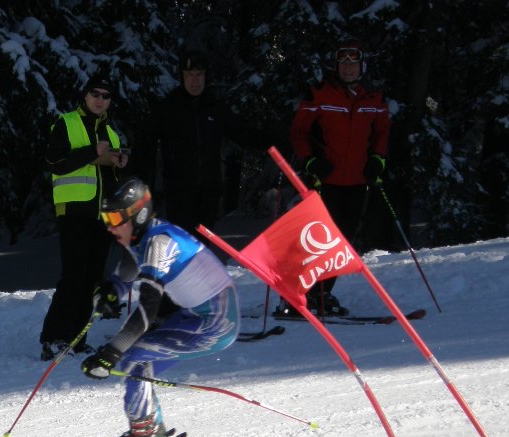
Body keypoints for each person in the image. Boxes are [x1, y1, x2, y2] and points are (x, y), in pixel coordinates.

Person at [77, 177, 239, 437]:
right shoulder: (142, 237)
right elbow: (128, 269)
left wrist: (112, 351)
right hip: (195, 314)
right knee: (137, 358)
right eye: (105, 218)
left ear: (138, 216)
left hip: (216, 323)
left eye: (114, 219)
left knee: (134, 357)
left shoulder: (159, 243)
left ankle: (145, 436)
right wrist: (113, 290)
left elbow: (148, 308)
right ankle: (153, 433)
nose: (109, 226)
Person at [280, 38, 391, 317]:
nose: (348, 69)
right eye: (343, 64)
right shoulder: (320, 94)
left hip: (357, 181)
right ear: (336, 66)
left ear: (362, 66)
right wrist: (311, 161)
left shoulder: (373, 97)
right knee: (317, 239)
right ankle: (296, 294)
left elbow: (382, 131)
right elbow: (299, 132)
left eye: (353, 64)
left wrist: (377, 159)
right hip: (325, 180)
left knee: (342, 241)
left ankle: (322, 294)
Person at [38, 73, 129, 361]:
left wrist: (118, 163)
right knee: (73, 276)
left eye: (106, 96)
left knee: (91, 279)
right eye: (95, 94)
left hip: (102, 214)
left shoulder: (110, 130)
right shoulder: (66, 122)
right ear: (85, 96)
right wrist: (92, 152)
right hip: (75, 211)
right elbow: (54, 162)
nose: (100, 100)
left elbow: (107, 176)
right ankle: (53, 338)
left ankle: (77, 340)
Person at [135, 49, 256, 256]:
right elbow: (145, 144)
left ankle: (200, 276)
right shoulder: (169, 108)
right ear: (181, 77)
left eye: (199, 75)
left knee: (202, 249)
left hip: (209, 192)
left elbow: (243, 133)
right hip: (179, 193)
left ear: (206, 76)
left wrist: (274, 140)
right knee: (181, 247)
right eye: (189, 75)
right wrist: (138, 181)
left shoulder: (215, 107)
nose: (194, 81)